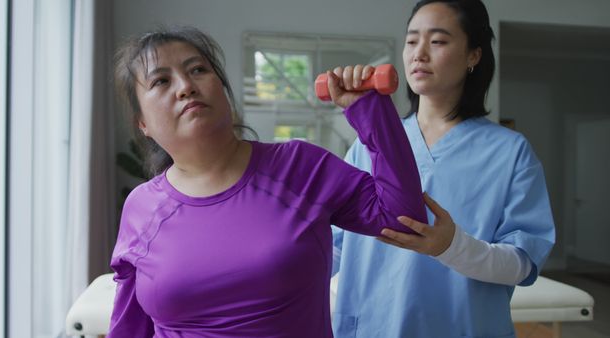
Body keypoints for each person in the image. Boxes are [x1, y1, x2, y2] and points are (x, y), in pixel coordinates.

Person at [108, 26, 426, 337]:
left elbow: (403, 218)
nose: (185, 86)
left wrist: (369, 110)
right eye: (161, 80)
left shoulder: (299, 167)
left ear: (223, 90)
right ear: (143, 123)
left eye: (198, 70)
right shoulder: (141, 208)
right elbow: (129, 329)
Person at [331, 1, 556, 337]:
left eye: (437, 41)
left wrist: (452, 247)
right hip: (370, 327)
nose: (418, 53)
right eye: (411, 41)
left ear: (473, 56)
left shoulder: (509, 151)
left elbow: (523, 263)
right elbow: (332, 246)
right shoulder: (368, 144)